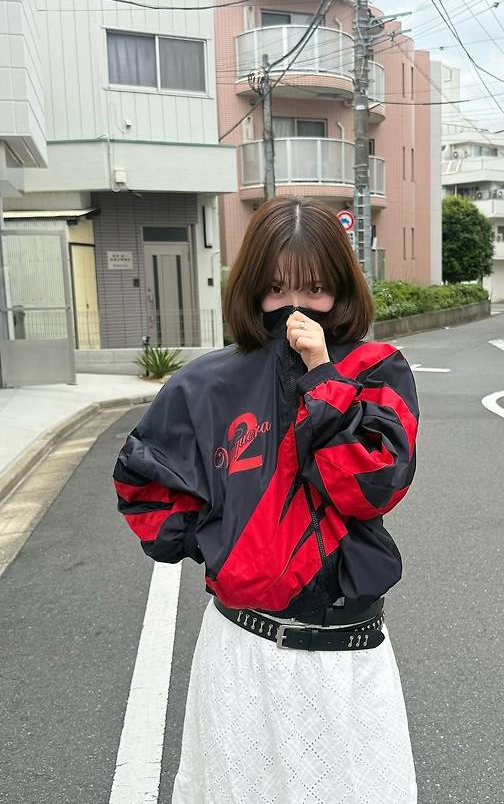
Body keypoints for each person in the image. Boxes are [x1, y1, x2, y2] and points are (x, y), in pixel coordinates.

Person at [113, 197, 420, 803]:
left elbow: (373, 486)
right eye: (277, 288)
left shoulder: (376, 370)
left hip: (349, 654)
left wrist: (322, 377)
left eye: (315, 288)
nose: (295, 307)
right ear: (252, 289)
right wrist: (219, 541)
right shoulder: (206, 382)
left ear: (342, 289)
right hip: (242, 650)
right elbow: (142, 479)